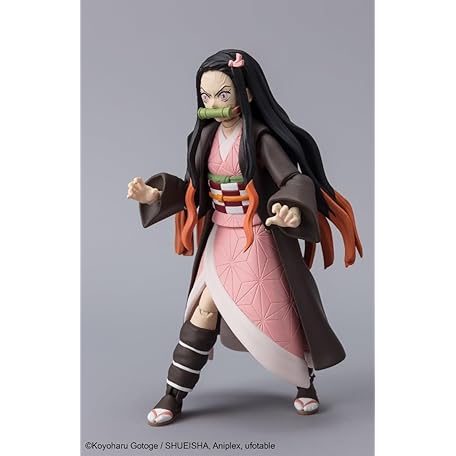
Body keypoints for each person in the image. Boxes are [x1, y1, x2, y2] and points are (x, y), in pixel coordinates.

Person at [127, 49, 362, 426]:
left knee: (281, 314)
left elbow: (293, 179)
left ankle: (305, 384)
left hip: (258, 238)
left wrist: (289, 207)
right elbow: (193, 190)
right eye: (205, 96)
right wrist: (154, 195)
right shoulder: (203, 139)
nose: (213, 104)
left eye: (223, 94)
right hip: (221, 237)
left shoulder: (261, 138)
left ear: (246, 93)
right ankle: (174, 392)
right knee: (203, 309)